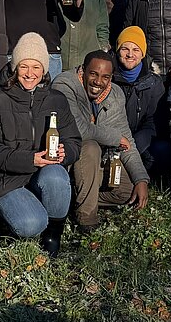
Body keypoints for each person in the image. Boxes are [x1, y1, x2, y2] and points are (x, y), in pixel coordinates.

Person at [0, 33, 81, 257]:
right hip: (6, 180)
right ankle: (8, 215)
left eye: (36, 67)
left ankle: (52, 235)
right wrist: (30, 159)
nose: (30, 74)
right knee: (31, 224)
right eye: (24, 66)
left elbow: (74, 141)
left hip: (43, 175)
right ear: (15, 67)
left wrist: (65, 153)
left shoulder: (56, 99)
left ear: (44, 69)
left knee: (56, 176)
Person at [53, 51, 150, 231]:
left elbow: (126, 140)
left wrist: (141, 179)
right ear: (83, 70)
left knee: (127, 191)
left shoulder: (115, 94)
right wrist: (113, 137)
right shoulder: (64, 84)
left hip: (96, 166)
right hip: (66, 160)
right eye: (93, 74)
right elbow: (78, 129)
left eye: (105, 77)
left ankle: (73, 198)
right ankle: (86, 219)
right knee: (90, 146)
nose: (98, 82)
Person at [110, 27, 170, 183]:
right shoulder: (106, 77)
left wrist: (132, 145)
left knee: (162, 150)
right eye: (125, 49)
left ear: (143, 53)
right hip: (111, 137)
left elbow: (155, 122)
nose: (130, 54)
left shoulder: (154, 83)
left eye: (136, 49)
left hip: (140, 140)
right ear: (117, 50)